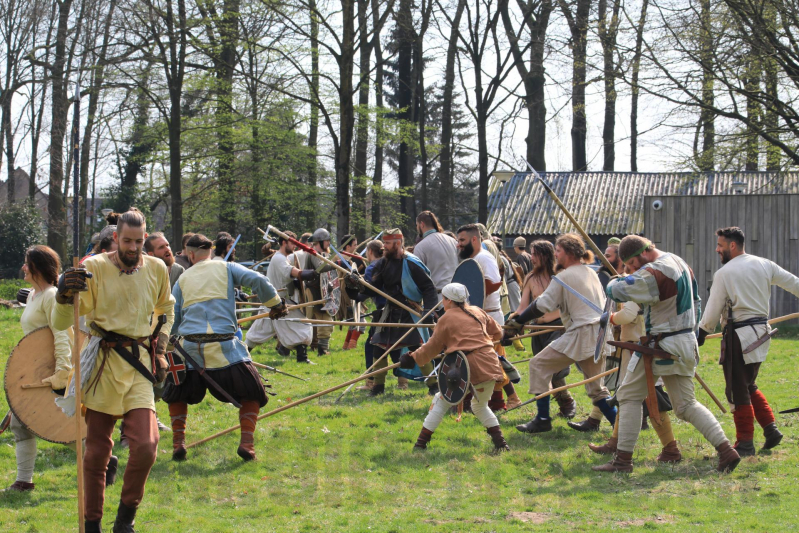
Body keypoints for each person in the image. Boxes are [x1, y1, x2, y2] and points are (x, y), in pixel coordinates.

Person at [52, 207, 175, 532]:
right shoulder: (92, 268)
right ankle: (92, 522)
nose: (133, 248)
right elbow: (62, 322)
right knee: (95, 454)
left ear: (144, 238)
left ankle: (125, 519)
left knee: (147, 447)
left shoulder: (157, 268)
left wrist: (160, 349)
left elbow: (166, 310)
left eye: (138, 241)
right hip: (103, 366)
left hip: (138, 365)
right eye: (126, 241)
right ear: (116, 238)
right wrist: (64, 295)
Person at [597, 235, 740, 473]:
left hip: (660, 345)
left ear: (640, 255)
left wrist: (616, 279)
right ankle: (726, 450)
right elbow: (697, 302)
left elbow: (618, 291)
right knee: (686, 406)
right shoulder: (678, 261)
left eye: (632, 265)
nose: (634, 269)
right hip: (684, 341)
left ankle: (623, 461)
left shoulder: (654, 272)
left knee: (629, 396)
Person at [163, 233, 286, 463]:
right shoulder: (228, 268)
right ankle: (247, 444)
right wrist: (276, 304)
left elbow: (175, 317)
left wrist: (170, 341)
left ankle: (178, 443)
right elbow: (259, 281)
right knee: (254, 391)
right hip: (224, 348)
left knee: (176, 391)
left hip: (189, 349)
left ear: (190, 254)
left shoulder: (182, 281)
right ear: (209, 251)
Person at [697, 227, 799, 456]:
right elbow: (795, 284)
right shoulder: (765, 264)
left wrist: (702, 333)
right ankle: (771, 430)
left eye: (720, 245)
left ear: (732, 245)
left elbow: (712, 311)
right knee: (748, 384)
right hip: (761, 334)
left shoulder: (724, 273)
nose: (717, 249)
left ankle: (745, 443)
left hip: (739, 337)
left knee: (737, 389)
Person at [505, 233, 616, 434]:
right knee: (596, 388)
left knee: (538, 365)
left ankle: (543, 419)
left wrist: (518, 322)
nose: (556, 255)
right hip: (599, 332)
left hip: (582, 333)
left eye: (558, 251)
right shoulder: (589, 271)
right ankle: (621, 427)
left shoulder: (564, 276)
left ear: (570, 252)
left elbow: (543, 305)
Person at [587, 262, 682, 463]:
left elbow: (628, 315)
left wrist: (610, 318)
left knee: (654, 400)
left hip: (642, 350)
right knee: (626, 395)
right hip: (634, 349)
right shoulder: (637, 282)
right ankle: (615, 442)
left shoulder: (639, 285)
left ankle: (671, 449)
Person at [401, 283, 510, 452]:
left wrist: (412, 358)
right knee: (479, 406)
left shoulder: (446, 318)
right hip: (490, 364)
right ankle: (501, 444)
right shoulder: (478, 311)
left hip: (468, 368)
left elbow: (432, 346)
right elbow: (498, 332)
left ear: (448, 300)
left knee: (440, 401)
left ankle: (420, 444)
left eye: (443, 299)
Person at [5, 246, 74, 492]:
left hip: (51, 372)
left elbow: (62, 333)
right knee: (23, 423)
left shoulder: (51, 296)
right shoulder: (34, 296)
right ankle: (24, 481)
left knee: (55, 424)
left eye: (26, 263)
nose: (23, 267)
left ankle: (104, 459)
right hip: (34, 371)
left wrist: (62, 371)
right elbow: (32, 342)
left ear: (37, 267)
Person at [346, 229, 439, 396]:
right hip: (390, 311)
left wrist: (428, 312)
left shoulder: (411, 263)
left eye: (387, 244)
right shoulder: (383, 263)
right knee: (378, 348)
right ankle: (378, 387)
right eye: (384, 243)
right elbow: (373, 289)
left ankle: (434, 386)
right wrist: (355, 287)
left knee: (417, 349)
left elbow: (429, 288)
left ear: (398, 243)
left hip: (409, 311)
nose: (384, 247)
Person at [456, 224, 520, 410]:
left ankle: (508, 399)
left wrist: (467, 294)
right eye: (458, 241)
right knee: (489, 362)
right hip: (478, 318)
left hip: (490, 319)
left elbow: (493, 284)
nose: (459, 245)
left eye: (462, 240)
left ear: (474, 239)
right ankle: (495, 401)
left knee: (493, 362)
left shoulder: (484, 258)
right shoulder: (473, 259)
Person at [513, 240, 577, 420]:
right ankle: (555, 408)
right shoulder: (530, 278)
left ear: (545, 255)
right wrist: (513, 322)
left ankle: (566, 402)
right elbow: (522, 307)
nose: (531, 258)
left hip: (558, 327)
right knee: (542, 370)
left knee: (553, 368)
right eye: (531, 254)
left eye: (534, 254)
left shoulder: (560, 276)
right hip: (537, 329)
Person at [246, 231, 317, 363]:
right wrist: (305, 274)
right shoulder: (278, 258)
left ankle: (302, 358)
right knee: (257, 332)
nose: (295, 246)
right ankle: (242, 356)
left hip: (282, 301)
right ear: (284, 242)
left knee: (301, 324)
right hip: (274, 301)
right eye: (292, 243)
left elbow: (288, 278)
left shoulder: (284, 257)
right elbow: (289, 271)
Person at [352, 240, 387, 391]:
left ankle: (371, 382)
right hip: (399, 308)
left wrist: (356, 293)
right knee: (398, 345)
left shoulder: (372, 267)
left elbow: (368, 291)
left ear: (370, 252)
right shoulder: (388, 263)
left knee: (372, 345)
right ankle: (402, 383)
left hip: (383, 310)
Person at [302, 228, 338, 356]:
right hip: (314, 290)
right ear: (320, 242)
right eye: (327, 241)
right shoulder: (313, 253)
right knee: (323, 319)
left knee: (324, 319)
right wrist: (336, 263)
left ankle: (320, 348)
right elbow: (321, 267)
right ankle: (321, 350)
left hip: (323, 290)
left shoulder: (322, 254)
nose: (329, 243)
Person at [413, 210, 459, 299]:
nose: (417, 228)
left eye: (417, 225)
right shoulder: (453, 241)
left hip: (439, 298)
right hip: (457, 295)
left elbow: (417, 277)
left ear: (421, 224)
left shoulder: (420, 247)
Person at [338, 234, 367, 350]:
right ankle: (351, 346)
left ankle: (346, 346)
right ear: (348, 246)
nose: (356, 247)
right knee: (361, 321)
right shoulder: (339, 258)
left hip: (353, 292)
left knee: (353, 321)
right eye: (354, 245)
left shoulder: (355, 257)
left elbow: (363, 271)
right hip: (346, 294)